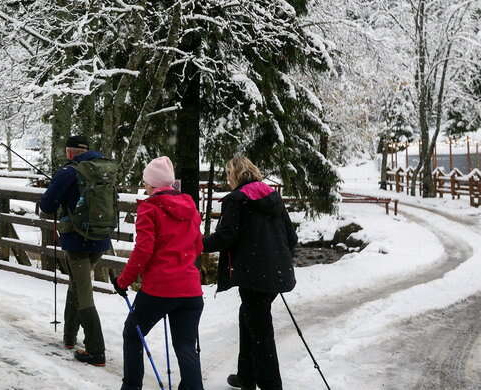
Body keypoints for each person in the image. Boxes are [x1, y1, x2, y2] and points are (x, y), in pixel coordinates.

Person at [202, 156, 297, 390]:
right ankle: (246, 375)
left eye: (228, 175)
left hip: (253, 275)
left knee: (260, 330)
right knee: (250, 318)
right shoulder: (272, 196)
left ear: (235, 175)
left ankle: (270, 385)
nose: (227, 179)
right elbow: (291, 237)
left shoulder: (236, 200)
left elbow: (226, 237)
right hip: (274, 273)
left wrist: (196, 243)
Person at [112, 156, 205, 390]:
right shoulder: (190, 206)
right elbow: (197, 246)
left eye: (145, 182)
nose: (145, 186)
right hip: (191, 289)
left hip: (160, 289)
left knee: (133, 333)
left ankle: (131, 387)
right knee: (185, 346)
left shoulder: (149, 208)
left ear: (152, 185)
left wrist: (123, 281)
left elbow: (143, 250)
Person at [39, 135, 113, 366]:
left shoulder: (68, 172)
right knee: (77, 283)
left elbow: (47, 205)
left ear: (70, 152)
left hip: (77, 241)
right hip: (101, 239)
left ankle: (96, 350)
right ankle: (69, 337)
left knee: (83, 292)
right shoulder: (105, 169)